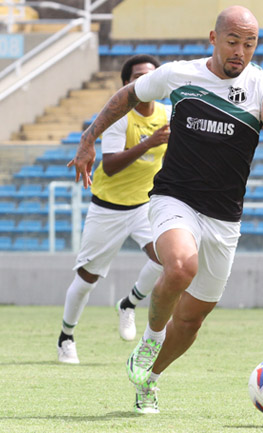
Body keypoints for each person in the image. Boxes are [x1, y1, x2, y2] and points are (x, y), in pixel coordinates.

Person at [68, 6, 263, 414]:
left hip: (225, 218)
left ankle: (150, 379)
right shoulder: (179, 74)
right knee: (179, 266)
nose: (240, 52)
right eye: (233, 41)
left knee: (192, 320)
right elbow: (127, 96)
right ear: (213, 38)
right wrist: (90, 138)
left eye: (250, 44)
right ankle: (151, 336)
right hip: (174, 199)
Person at [57, 54, 170, 365]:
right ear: (126, 85)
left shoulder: (168, 114)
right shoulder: (120, 117)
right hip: (108, 208)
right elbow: (111, 165)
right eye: (137, 77)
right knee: (86, 280)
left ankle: (129, 303)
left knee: (168, 259)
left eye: (150, 76)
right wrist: (149, 143)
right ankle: (66, 336)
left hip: (145, 206)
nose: (144, 81)